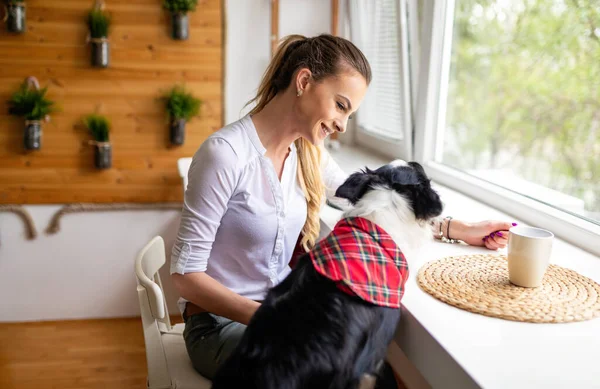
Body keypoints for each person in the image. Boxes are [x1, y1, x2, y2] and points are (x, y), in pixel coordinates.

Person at [170, 33, 514, 384]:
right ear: (304, 82)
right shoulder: (225, 155)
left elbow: (373, 196)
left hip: (275, 317)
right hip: (217, 328)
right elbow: (185, 276)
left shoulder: (307, 154)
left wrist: (457, 229)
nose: (342, 124)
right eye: (340, 105)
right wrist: (273, 317)